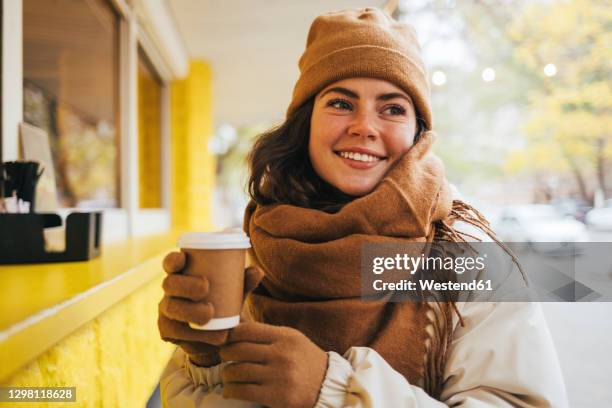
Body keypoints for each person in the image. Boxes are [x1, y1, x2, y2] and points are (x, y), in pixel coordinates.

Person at [157, 7, 569, 408]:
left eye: (392, 108)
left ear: (417, 134)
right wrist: (206, 361)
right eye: (340, 103)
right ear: (306, 123)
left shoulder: (468, 260)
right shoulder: (253, 251)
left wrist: (334, 391)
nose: (364, 127)